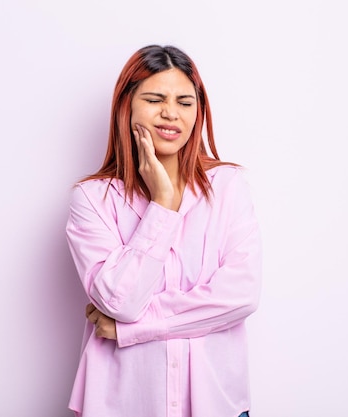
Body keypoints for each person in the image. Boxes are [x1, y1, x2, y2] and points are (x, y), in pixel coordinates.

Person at [65, 44, 262, 417]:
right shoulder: (92, 200)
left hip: (216, 405)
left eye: (185, 102)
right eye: (155, 99)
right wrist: (163, 205)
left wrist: (133, 329)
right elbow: (119, 302)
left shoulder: (228, 187)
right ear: (127, 106)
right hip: (122, 406)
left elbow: (240, 296)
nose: (171, 113)